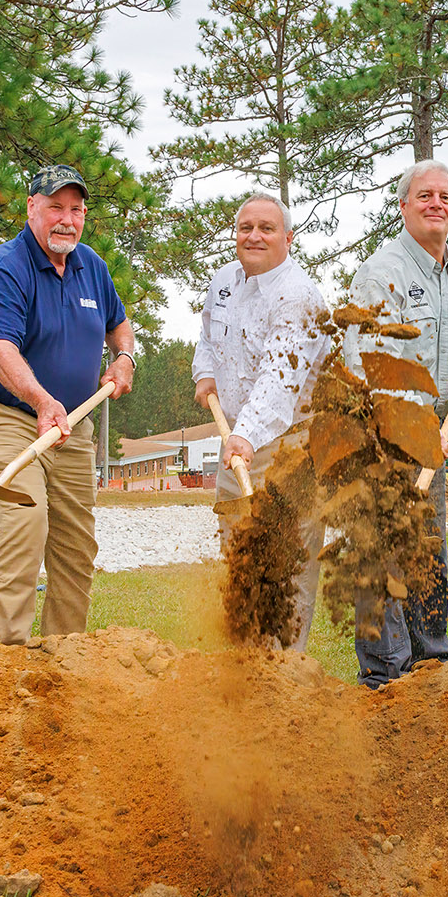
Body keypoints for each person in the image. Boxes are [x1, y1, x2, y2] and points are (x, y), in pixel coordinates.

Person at [0, 164, 136, 646]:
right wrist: (40, 399)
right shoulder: (4, 266)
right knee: (26, 519)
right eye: (55, 206)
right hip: (1, 417)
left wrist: (124, 358)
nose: (66, 220)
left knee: (76, 545)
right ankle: (3, 657)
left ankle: (64, 658)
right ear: (31, 206)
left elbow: (119, 323)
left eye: (76, 210)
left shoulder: (90, 266)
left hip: (70, 426)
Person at [346, 160, 448, 687]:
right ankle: (386, 675)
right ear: (403, 205)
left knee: (426, 546)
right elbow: (370, 359)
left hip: (430, 427)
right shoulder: (382, 271)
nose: (436, 203)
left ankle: (430, 663)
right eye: (424, 195)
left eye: (445, 196)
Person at [193, 192, 328, 651]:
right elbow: (208, 335)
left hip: (292, 451)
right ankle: (243, 668)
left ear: (288, 238)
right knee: (240, 558)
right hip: (238, 448)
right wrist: (204, 372)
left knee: (286, 567)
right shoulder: (224, 281)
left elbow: (280, 381)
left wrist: (244, 435)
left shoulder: (300, 297)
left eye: (266, 228)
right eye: (245, 227)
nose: (254, 236)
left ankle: (284, 676)